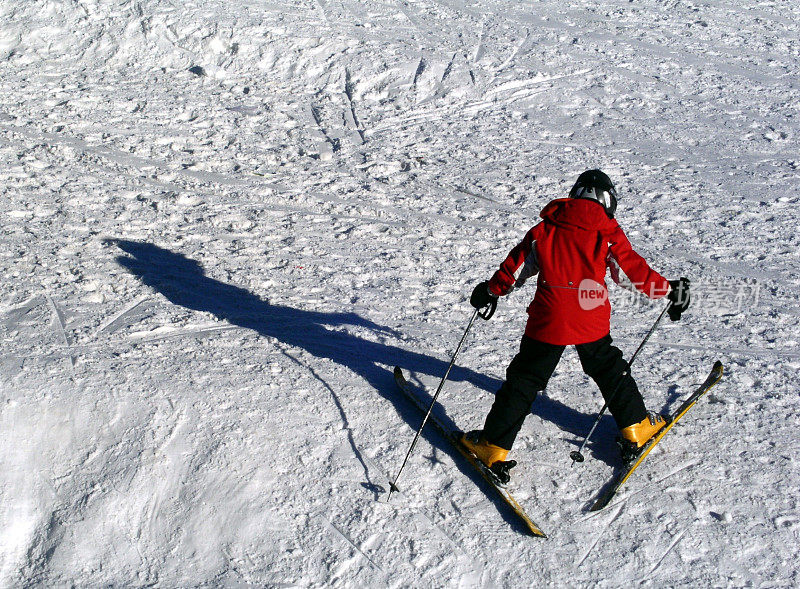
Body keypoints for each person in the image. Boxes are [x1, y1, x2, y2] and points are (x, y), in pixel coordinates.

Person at [462, 170, 691, 483]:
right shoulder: (607, 232)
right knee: (609, 368)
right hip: (589, 314)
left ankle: (493, 446)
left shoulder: (545, 229)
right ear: (607, 201)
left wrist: (490, 291)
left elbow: (516, 269)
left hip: (550, 317)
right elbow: (628, 272)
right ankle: (636, 427)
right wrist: (668, 290)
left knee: (526, 379)